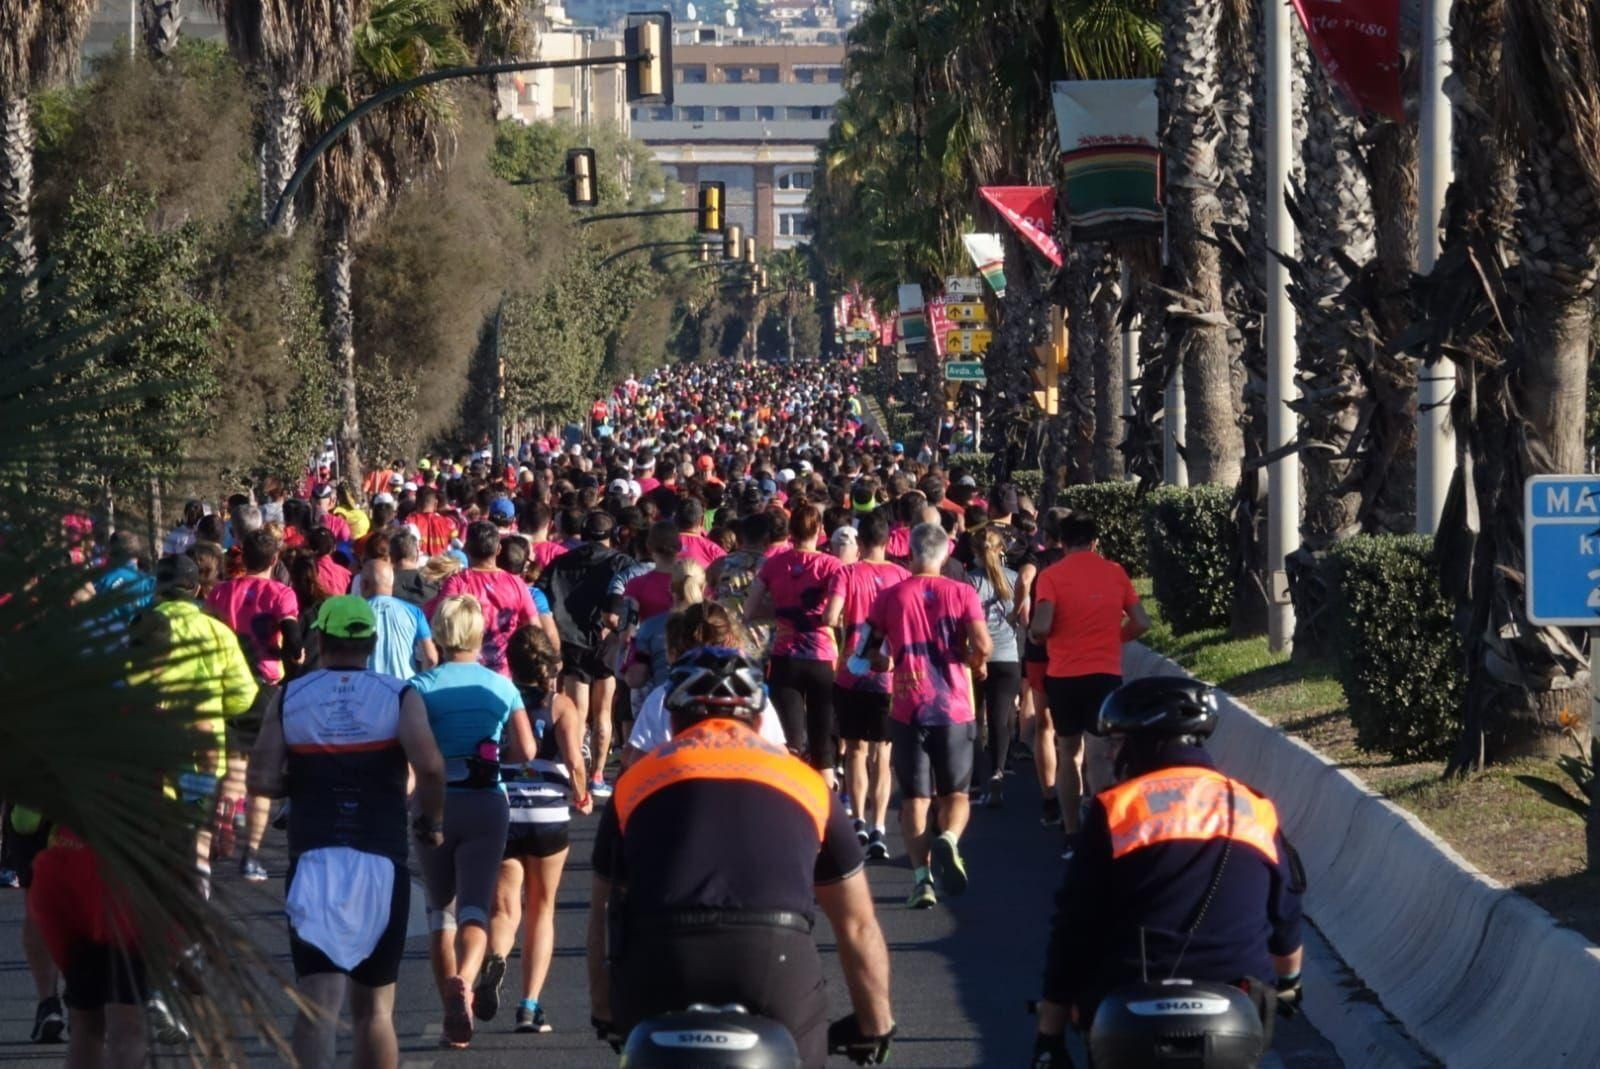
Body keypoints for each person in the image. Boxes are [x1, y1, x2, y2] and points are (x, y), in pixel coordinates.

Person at [588, 646, 896, 1069]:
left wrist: (604, 1009)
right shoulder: (807, 783)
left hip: (663, 952)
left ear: (673, 720)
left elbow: (603, 908)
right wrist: (875, 1024)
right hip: (772, 956)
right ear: (759, 719)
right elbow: (857, 923)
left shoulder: (635, 782)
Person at [1030, 677, 1305, 1067]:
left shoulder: (1116, 808)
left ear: (1144, 743)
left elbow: (1074, 926)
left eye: (1117, 742)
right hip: (1235, 1015)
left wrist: (1050, 1032)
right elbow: (1286, 915)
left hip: (1133, 1016)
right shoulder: (1254, 807)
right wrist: (1290, 983)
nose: (1111, 755)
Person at [247, 595, 447, 1069]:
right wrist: (430, 819)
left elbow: (259, 779)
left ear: (320, 639)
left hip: (314, 857)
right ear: (372, 642)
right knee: (374, 1011)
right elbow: (431, 768)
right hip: (380, 855)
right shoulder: (399, 694)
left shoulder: (291, 695)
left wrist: (300, 781)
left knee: (318, 1002)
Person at [411, 595, 537, 1049]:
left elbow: (409, 749)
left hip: (436, 800)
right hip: (486, 800)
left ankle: (452, 1014)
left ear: (440, 633)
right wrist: (496, 755)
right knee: (476, 907)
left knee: (439, 910)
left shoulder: (420, 686)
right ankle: (465, 979)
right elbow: (526, 750)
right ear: (479, 634)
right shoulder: (500, 686)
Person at [858, 523, 991, 909]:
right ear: (945, 554)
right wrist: (975, 662)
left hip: (908, 706)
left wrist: (885, 662)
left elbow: (869, 650)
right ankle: (949, 838)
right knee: (956, 794)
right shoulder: (963, 592)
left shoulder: (890, 596)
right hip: (953, 707)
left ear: (911, 553)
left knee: (915, 799)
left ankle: (921, 880)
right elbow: (982, 644)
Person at [477, 627, 593, 1034]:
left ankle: (496, 957)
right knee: (541, 908)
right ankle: (529, 1007)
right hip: (547, 814)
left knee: (504, 908)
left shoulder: (499, 699)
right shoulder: (560, 705)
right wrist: (582, 795)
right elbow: (574, 760)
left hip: (506, 808)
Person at [1028, 514, 1150, 853]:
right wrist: (1115, 637)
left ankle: (1071, 832)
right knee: (1100, 754)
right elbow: (1142, 622)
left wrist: (1036, 635)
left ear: (1063, 543)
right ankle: (1105, 830)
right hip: (1105, 674)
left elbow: (1042, 626)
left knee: (1068, 752)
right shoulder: (1115, 572)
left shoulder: (1051, 576)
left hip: (1064, 676)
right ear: (1095, 542)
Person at [206, 528, 302, 882]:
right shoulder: (281, 593)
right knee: (262, 771)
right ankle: (251, 856)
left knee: (233, 764)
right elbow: (292, 635)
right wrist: (296, 655)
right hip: (264, 686)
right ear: (275, 559)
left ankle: (222, 827)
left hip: (227, 684)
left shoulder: (219, 592)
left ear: (242, 556)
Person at [823, 510, 907, 860]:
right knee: (883, 756)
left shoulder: (846, 573)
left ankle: (857, 818)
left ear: (860, 541)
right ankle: (879, 827)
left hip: (851, 671)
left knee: (855, 750)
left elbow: (830, 616)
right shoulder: (902, 576)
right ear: (887, 541)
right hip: (888, 675)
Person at [744, 504, 845, 784]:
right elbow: (834, 615)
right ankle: (825, 807)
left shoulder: (773, 564)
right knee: (823, 750)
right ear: (820, 531)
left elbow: (749, 611)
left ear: (791, 531)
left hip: (785, 657)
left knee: (790, 745)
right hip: (822, 656)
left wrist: (782, 612)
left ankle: (790, 801)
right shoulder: (833, 566)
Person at [539, 510, 636, 799]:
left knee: (578, 712)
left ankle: (577, 771)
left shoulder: (561, 562)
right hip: (607, 641)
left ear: (583, 533)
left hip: (572, 641)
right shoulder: (620, 562)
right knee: (604, 711)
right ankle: (597, 776)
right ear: (612, 534)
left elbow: (541, 592)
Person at [429, 521, 538, 678]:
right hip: (504, 676)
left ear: (466, 548)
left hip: (463, 673)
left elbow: (441, 623)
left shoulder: (456, 583)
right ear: (498, 549)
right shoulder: (516, 583)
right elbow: (534, 629)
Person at [965, 525, 1023, 808]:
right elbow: (1023, 617)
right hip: (1008, 656)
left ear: (975, 552)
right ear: (1001, 550)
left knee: (974, 719)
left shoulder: (970, 581)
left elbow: (965, 621)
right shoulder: (1014, 579)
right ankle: (998, 771)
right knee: (999, 719)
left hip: (977, 656)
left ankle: (975, 781)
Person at [362, 560, 438, 680]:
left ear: (364, 584)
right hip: (403, 687)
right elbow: (431, 658)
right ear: (392, 583)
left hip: (366, 686)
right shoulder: (414, 612)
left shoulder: (354, 613)